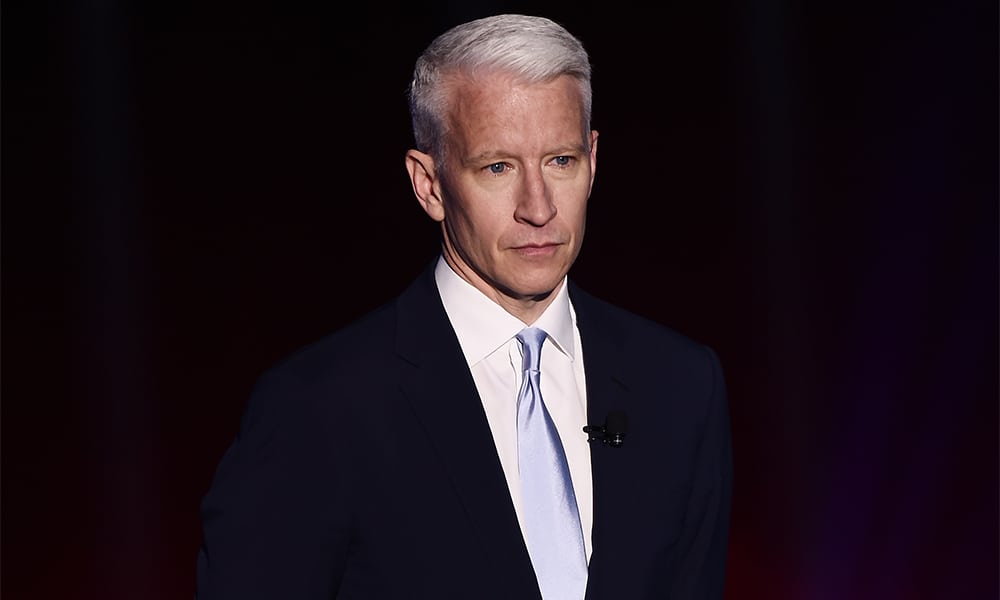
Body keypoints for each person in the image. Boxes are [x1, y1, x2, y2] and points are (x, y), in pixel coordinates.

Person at [195, 13, 732, 600]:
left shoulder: (679, 384)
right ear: (429, 185)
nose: (538, 206)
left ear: (593, 160)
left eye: (561, 161)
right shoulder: (318, 407)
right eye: (497, 167)